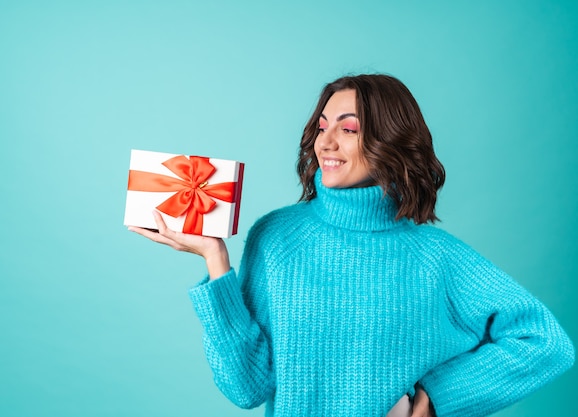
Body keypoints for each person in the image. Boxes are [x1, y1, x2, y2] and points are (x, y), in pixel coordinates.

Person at [128, 74, 575, 417]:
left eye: (349, 128)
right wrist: (215, 260)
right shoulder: (277, 236)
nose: (326, 142)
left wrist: (438, 398)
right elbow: (247, 386)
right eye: (322, 126)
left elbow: (545, 342)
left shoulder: (437, 256)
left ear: (390, 140)